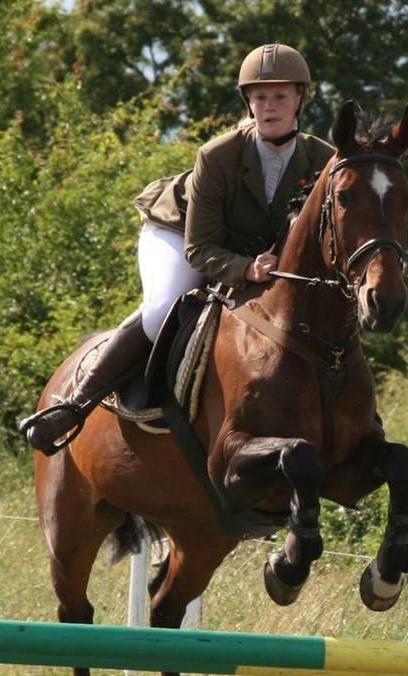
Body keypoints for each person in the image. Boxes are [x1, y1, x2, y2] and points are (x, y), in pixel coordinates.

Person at [20, 43, 335, 453]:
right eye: (260, 97)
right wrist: (246, 271)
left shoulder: (323, 161)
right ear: (248, 102)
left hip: (257, 253)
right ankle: (75, 404)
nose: (270, 106)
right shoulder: (217, 155)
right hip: (180, 231)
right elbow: (200, 248)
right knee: (163, 308)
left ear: (300, 99)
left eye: (280, 96)